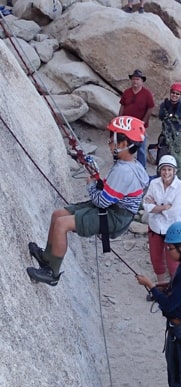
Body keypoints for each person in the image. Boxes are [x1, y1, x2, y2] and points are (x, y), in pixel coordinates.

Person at [27, 116, 149, 286]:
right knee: (58, 215)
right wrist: (94, 170)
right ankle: (47, 257)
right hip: (114, 208)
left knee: (62, 224)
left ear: (123, 144)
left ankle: (52, 273)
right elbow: (114, 191)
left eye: (112, 137)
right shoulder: (132, 165)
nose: (108, 141)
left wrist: (91, 185)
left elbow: (101, 202)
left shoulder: (125, 171)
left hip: (116, 216)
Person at [136, 221, 181, 387]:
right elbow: (180, 289)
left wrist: (151, 286)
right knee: (172, 361)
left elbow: (168, 305)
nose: (167, 251)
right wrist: (163, 285)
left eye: (170, 248)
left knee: (179, 367)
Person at [143, 155, 181, 300]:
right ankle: (162, 288)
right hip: (155, 227)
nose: (166, 173)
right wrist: (163, 207)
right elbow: (146, 204)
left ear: (174, 171)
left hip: (172, 229)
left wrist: (155, 207)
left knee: (173, 261)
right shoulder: (154, 184)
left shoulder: (180, 187)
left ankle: (175, 291)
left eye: (169, 169)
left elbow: (175, 211)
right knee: (156, 258)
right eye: (163, 169)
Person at [119, 69, 155, 168]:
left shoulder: (147, 94)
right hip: (126, 124)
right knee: (124, 145)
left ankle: (141, 169)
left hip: (139, 125)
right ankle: (124, 166)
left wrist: (143, 121)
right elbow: (122, 106)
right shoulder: (127, 92)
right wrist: (119, 119)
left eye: (137, 79)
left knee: (141, 148)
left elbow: (150, 107)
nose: (135, 81)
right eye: (134, 79)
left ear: (142, 81)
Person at [157, 82, 181, 161]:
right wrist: (170, 114)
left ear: (180, 95)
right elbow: (161, 116)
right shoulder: (165, 104)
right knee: (161, 158)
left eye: (177, 94)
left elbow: (177, 117)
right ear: (170, 93)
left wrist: (169, 114)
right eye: (173, 92)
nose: (175, 95)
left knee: (174, 160)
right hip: (165, 134)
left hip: (175, 136)